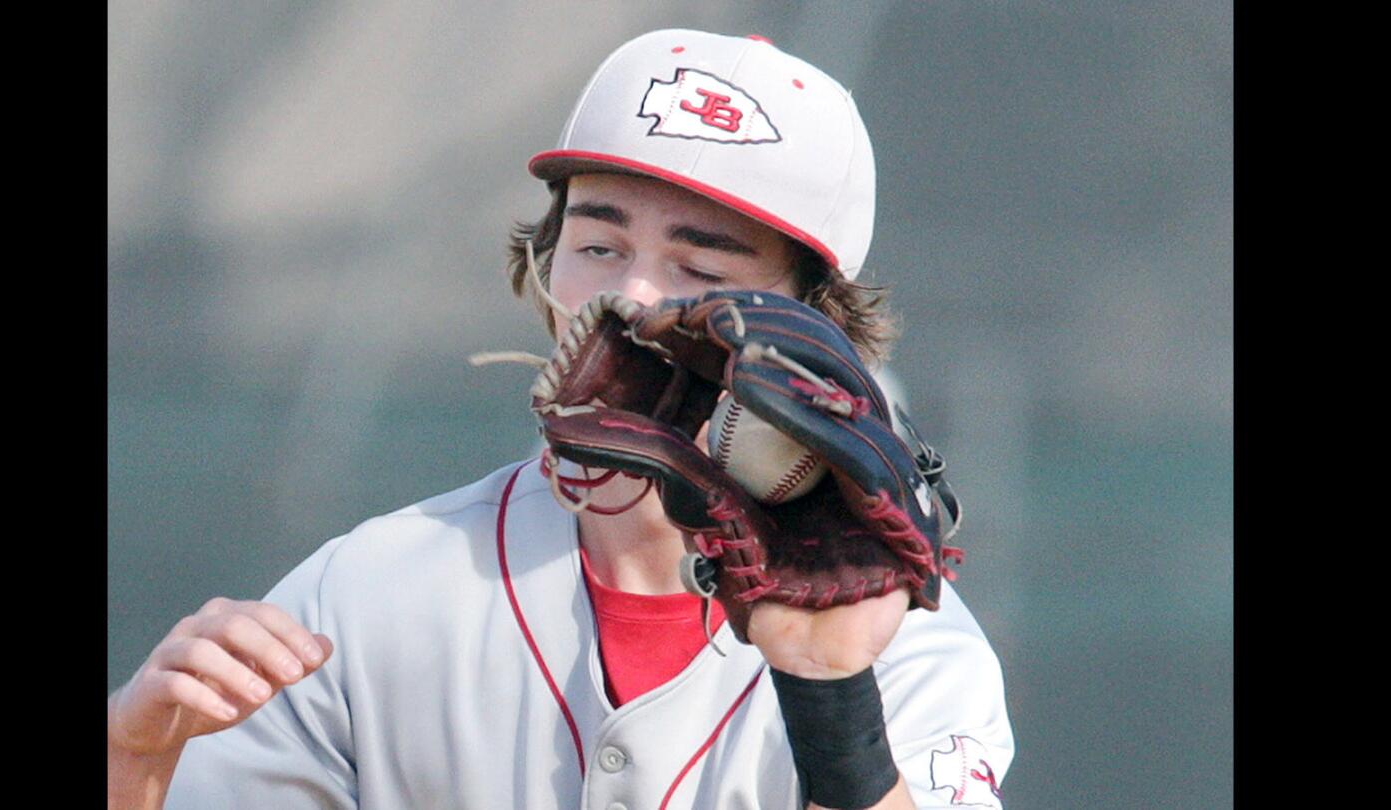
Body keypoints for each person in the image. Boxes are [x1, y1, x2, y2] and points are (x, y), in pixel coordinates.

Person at [107, 29, 1013, 810]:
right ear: (544, 269)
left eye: (702, 266)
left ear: (814, 325)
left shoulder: (902, 642)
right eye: (599, 245)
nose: (636, 294)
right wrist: (133, 765)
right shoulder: (369, 594)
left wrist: (835, 708)